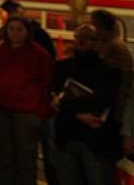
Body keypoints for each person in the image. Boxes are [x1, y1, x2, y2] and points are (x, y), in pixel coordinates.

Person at [51, 24, 121, 185]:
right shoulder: (62, 67)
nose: (81, 40)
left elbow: (102, 101)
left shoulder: (110, 72)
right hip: (67, 137)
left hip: (96, 142)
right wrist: (79, 114)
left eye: (89, 37)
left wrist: (67, 106)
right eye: (78, 36)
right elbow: (54, 101)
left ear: (99, 42)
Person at [0, 17, 53, 185]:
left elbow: (46, 82)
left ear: (27, 32)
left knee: (25, 158)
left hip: (26, 112)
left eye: (19, 29)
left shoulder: (39, 53)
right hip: (0, 109)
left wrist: (41, 112)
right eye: (11, 29)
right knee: (3, 156)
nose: (15, 33)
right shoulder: (1, 49)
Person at [91, 9, 133, 125]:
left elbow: (103, 71)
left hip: (115, 103)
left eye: (96, 26)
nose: (95, 31)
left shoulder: (113, 46)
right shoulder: (110, 43)